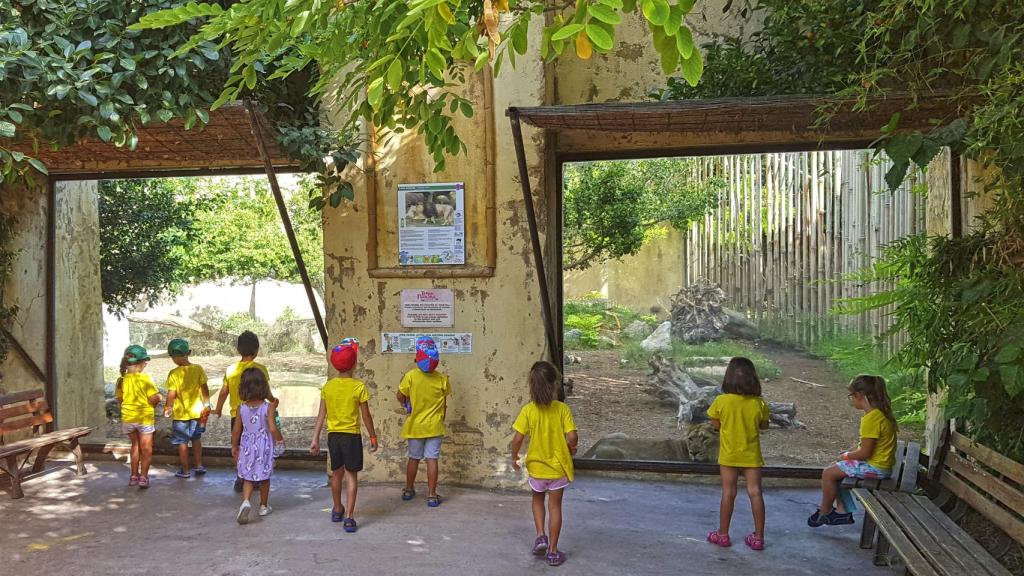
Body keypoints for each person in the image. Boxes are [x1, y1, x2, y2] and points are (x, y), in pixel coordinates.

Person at [510, 361, 578, 567]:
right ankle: (553, 551)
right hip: (558, 469)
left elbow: (517, 439)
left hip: (537, 469)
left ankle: (540, 535)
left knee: (537, 500)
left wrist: (514, 456)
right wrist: (570, 449)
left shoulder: (528, 410)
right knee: (555, 507)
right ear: (554, 384)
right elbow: (572, 436)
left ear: (532, 386)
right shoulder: (562, 409)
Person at [809, 374, 897, 527]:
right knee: (836, 469)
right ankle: (843, 511)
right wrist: (847, 457)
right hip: (881, 465)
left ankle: (825, 512)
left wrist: (847, 455)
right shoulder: (880, 414)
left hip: (876, 468)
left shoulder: (871, 419)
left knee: (828, 473)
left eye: (851, 396)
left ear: (859, 395)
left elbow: (865, 453)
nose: (851, 399)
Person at [309, 338, 379, 533]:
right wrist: (373, 437)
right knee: (352, 476)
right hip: (351, 437)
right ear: (354, 364)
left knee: (336, 474)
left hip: (334, 437)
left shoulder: (328, 387)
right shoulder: (358, 387)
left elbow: (321, 414)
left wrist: (315, 438)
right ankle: (349, 517)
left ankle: (337, 508)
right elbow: (366, 415)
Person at [706, 357, 770, 551]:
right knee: (755, 492)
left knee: (728, 493)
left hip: (729, 456)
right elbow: (764, 426)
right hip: (751, 457)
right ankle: (758, 538)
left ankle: (723, 534)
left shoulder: (721, 401)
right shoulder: (759, 403)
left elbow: (715, 424)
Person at [213, 330, 278, 492]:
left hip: (239, 415)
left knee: (241, 446)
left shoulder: (230, 370)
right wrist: (273, 401)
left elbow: (223, 392)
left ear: (238, 349)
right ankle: (256, 476)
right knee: (258, 445)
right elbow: (266, 390)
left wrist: (218, 409)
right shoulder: (260, 369)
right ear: (256, 350)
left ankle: (241, 477)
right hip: (259, 415)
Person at [396, 336, 451, 506]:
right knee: (431, 460)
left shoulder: (411, 376)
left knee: (414, 458)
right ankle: (432, 495)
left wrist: (406, 402)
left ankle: (408, 489)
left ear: (417, 358)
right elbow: (444, 405)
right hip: (435, 426)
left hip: (415, 427)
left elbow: (400, 395)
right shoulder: (442, 379)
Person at [231, 367, 282, 524]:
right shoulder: (268, 407)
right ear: (264, 387)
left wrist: (234, 446)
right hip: (264, 446)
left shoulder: (242, 408)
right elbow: (273, 428)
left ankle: (246, 501)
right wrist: (280, 440)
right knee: (264, 477)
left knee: (248, 476)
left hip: (246, 445)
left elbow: (236, 430)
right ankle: (263, 506)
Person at [115, 345, 162, 489]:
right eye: (145, 362)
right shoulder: (145, 379)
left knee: (135, 445)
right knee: (146, 448)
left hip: (128, 418)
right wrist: (159, 397)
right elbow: (154, 398)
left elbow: (120, 399)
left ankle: (133, 476)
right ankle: (144, 477)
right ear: (141, 363)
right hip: (144, 418)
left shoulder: (121, 380)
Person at [163, 338, 210, 478]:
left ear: (172, 356)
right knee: (196, 440)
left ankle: (185, 470)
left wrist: (168, 407)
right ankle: (199, 465)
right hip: (196, 412)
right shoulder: (198, 369)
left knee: (182, 442)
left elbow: (171, 394)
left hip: (180, 416)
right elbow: (205, 389)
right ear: (188, 352)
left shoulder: (173, 373)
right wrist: (206, 405)